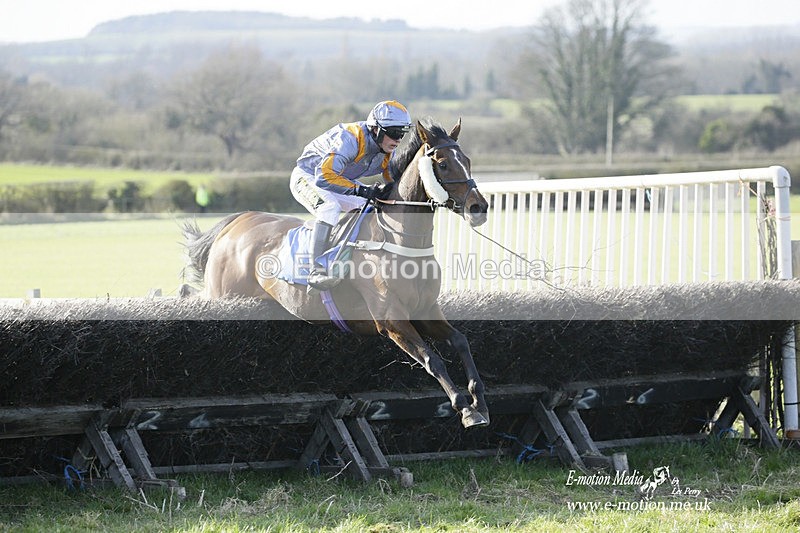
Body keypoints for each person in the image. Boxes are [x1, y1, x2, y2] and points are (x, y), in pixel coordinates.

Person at [289, 100, 412, 290]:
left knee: (373, 207)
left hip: (339, 180)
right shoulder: (350, 139)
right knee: (329, 208)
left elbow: (393, 183)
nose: (398, 140)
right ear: (376, 130)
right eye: (394, 133)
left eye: (402, 134)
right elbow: (324, 177)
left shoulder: (387, 150)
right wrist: (362, 190)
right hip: (309, 177)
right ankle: (316, 271)